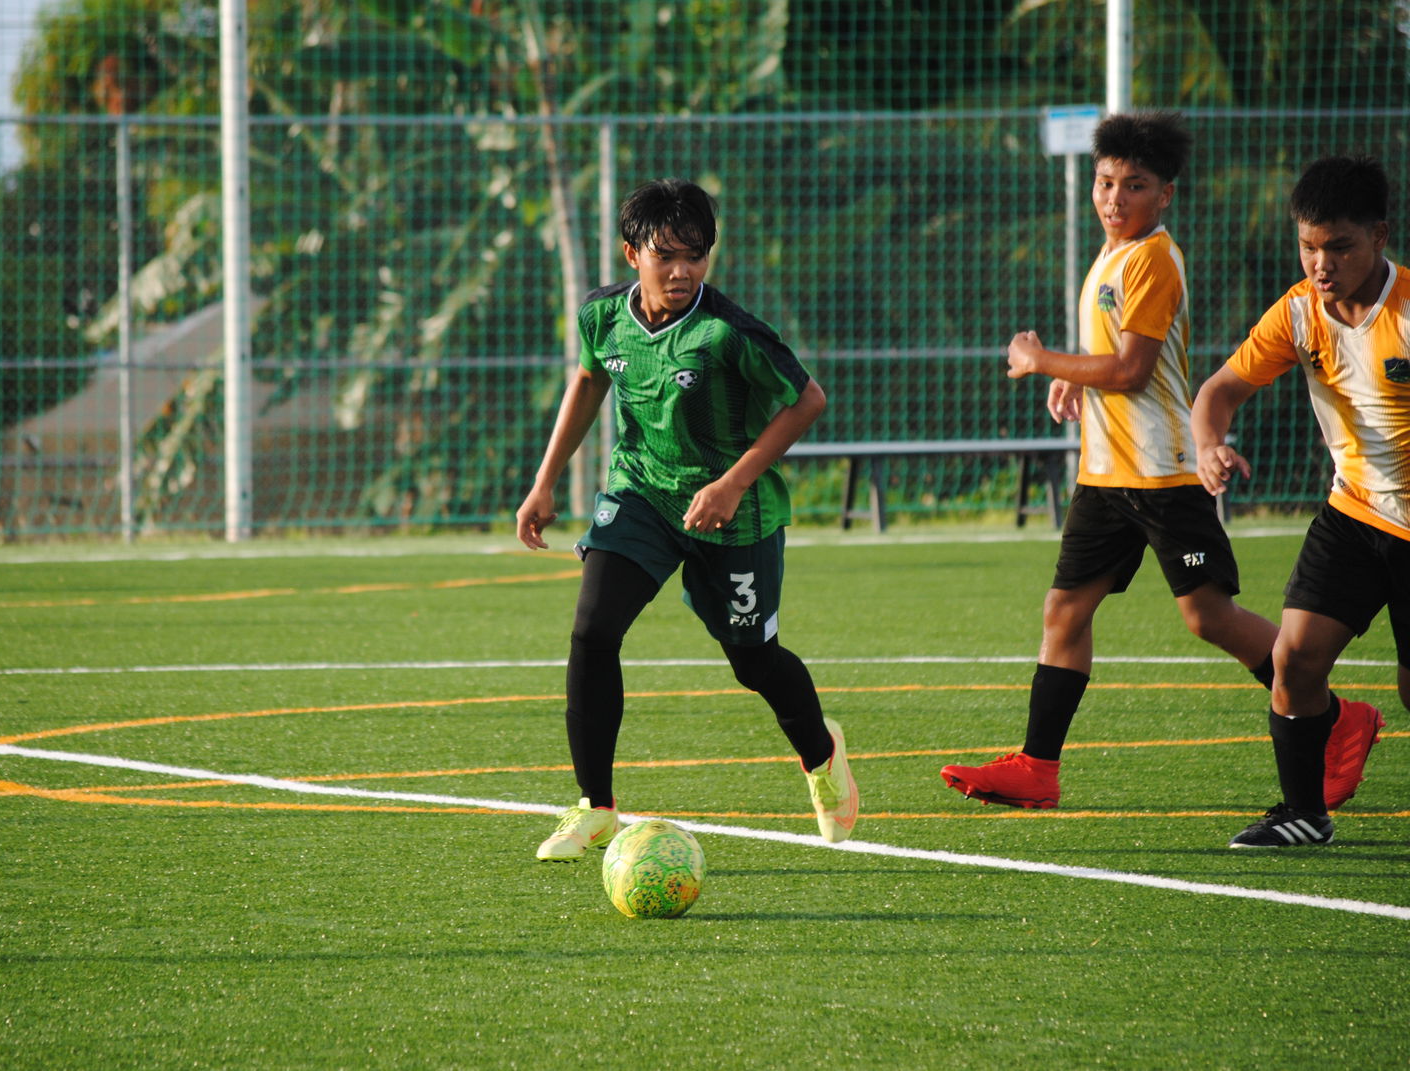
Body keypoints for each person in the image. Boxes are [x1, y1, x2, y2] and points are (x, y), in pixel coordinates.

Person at [936, 112, 1381, 811]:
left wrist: (1040, 359)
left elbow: (1133, 369)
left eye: (1134, 185)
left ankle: (1336, 716)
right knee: (1065, 609)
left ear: (1165, 194)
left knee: (1208, 616)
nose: (1114, 198)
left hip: (1164, 471)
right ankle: (1038, 765)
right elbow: (1111, 355)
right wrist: (1073, 373)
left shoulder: (1152, 258)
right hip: (1108, 474)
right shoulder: (1112, 253)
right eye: (1105, 182)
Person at [515, 178, 857, 860]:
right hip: (642, 493)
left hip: (733, 515)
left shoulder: (727, 331)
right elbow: (588, 379)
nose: (681, 270)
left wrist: (732, 484)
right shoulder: (602, 316)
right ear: (630, 253)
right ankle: (595, 806)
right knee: (592, 628)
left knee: (753, 659)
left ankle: (822, 754)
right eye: (665, 254)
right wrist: (544, 480)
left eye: (695, 255)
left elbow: (808, 399)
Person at [1192, 154, 1403, 847]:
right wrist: (1208, 445)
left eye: (1338, 245)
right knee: (1295, 659)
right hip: (1353, 514)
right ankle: (1304, 811)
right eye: (1309, 245)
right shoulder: (1298, 313)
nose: (1321, 261)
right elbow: (1218, 392)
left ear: (1379, 234)